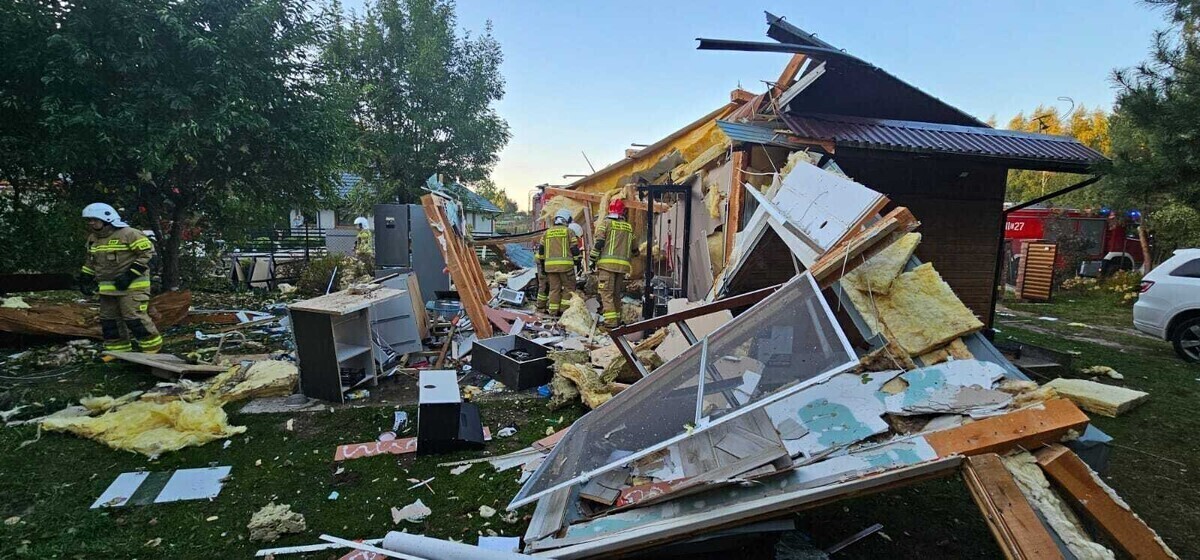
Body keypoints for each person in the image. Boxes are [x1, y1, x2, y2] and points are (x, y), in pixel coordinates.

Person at [79, 203, 162, 354]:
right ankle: (118, 354)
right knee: (110, 323)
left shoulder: (129, 234)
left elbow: (149, 256)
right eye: (89, 220)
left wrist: (129, 275)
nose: (90, 223)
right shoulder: (93, 239)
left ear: (107, 218)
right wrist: (85, 278)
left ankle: (153, 352)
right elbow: (91, 261)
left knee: (135, 319)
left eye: (94, 219)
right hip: (107, 290)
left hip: (133, 287)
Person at [591, 198, 638, 328]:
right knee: (616, 294)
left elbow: (599, 243)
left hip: (607, 266)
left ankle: (610, 324)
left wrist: (592, 260)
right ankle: (616, 320)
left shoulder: (605, 224)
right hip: (622, 268)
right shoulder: (628, 227)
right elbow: (635, 249)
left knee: (606, 294)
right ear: (623, 211)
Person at [541, 209, 580, 317]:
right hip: (566, 267)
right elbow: (574, 249)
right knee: (569, 288)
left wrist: (543, 266)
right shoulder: (569, 232)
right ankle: (564, 312)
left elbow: (541, 251)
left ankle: (553, 313)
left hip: (550, 268)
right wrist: (578, 262)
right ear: (566, 220)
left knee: (554, 289)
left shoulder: (547, 233)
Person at [533, 241, 550, 313]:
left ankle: (541, 305)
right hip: (544, 262)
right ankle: (541, 306)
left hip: (544, 261)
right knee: (545, 286)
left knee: (544, 286)